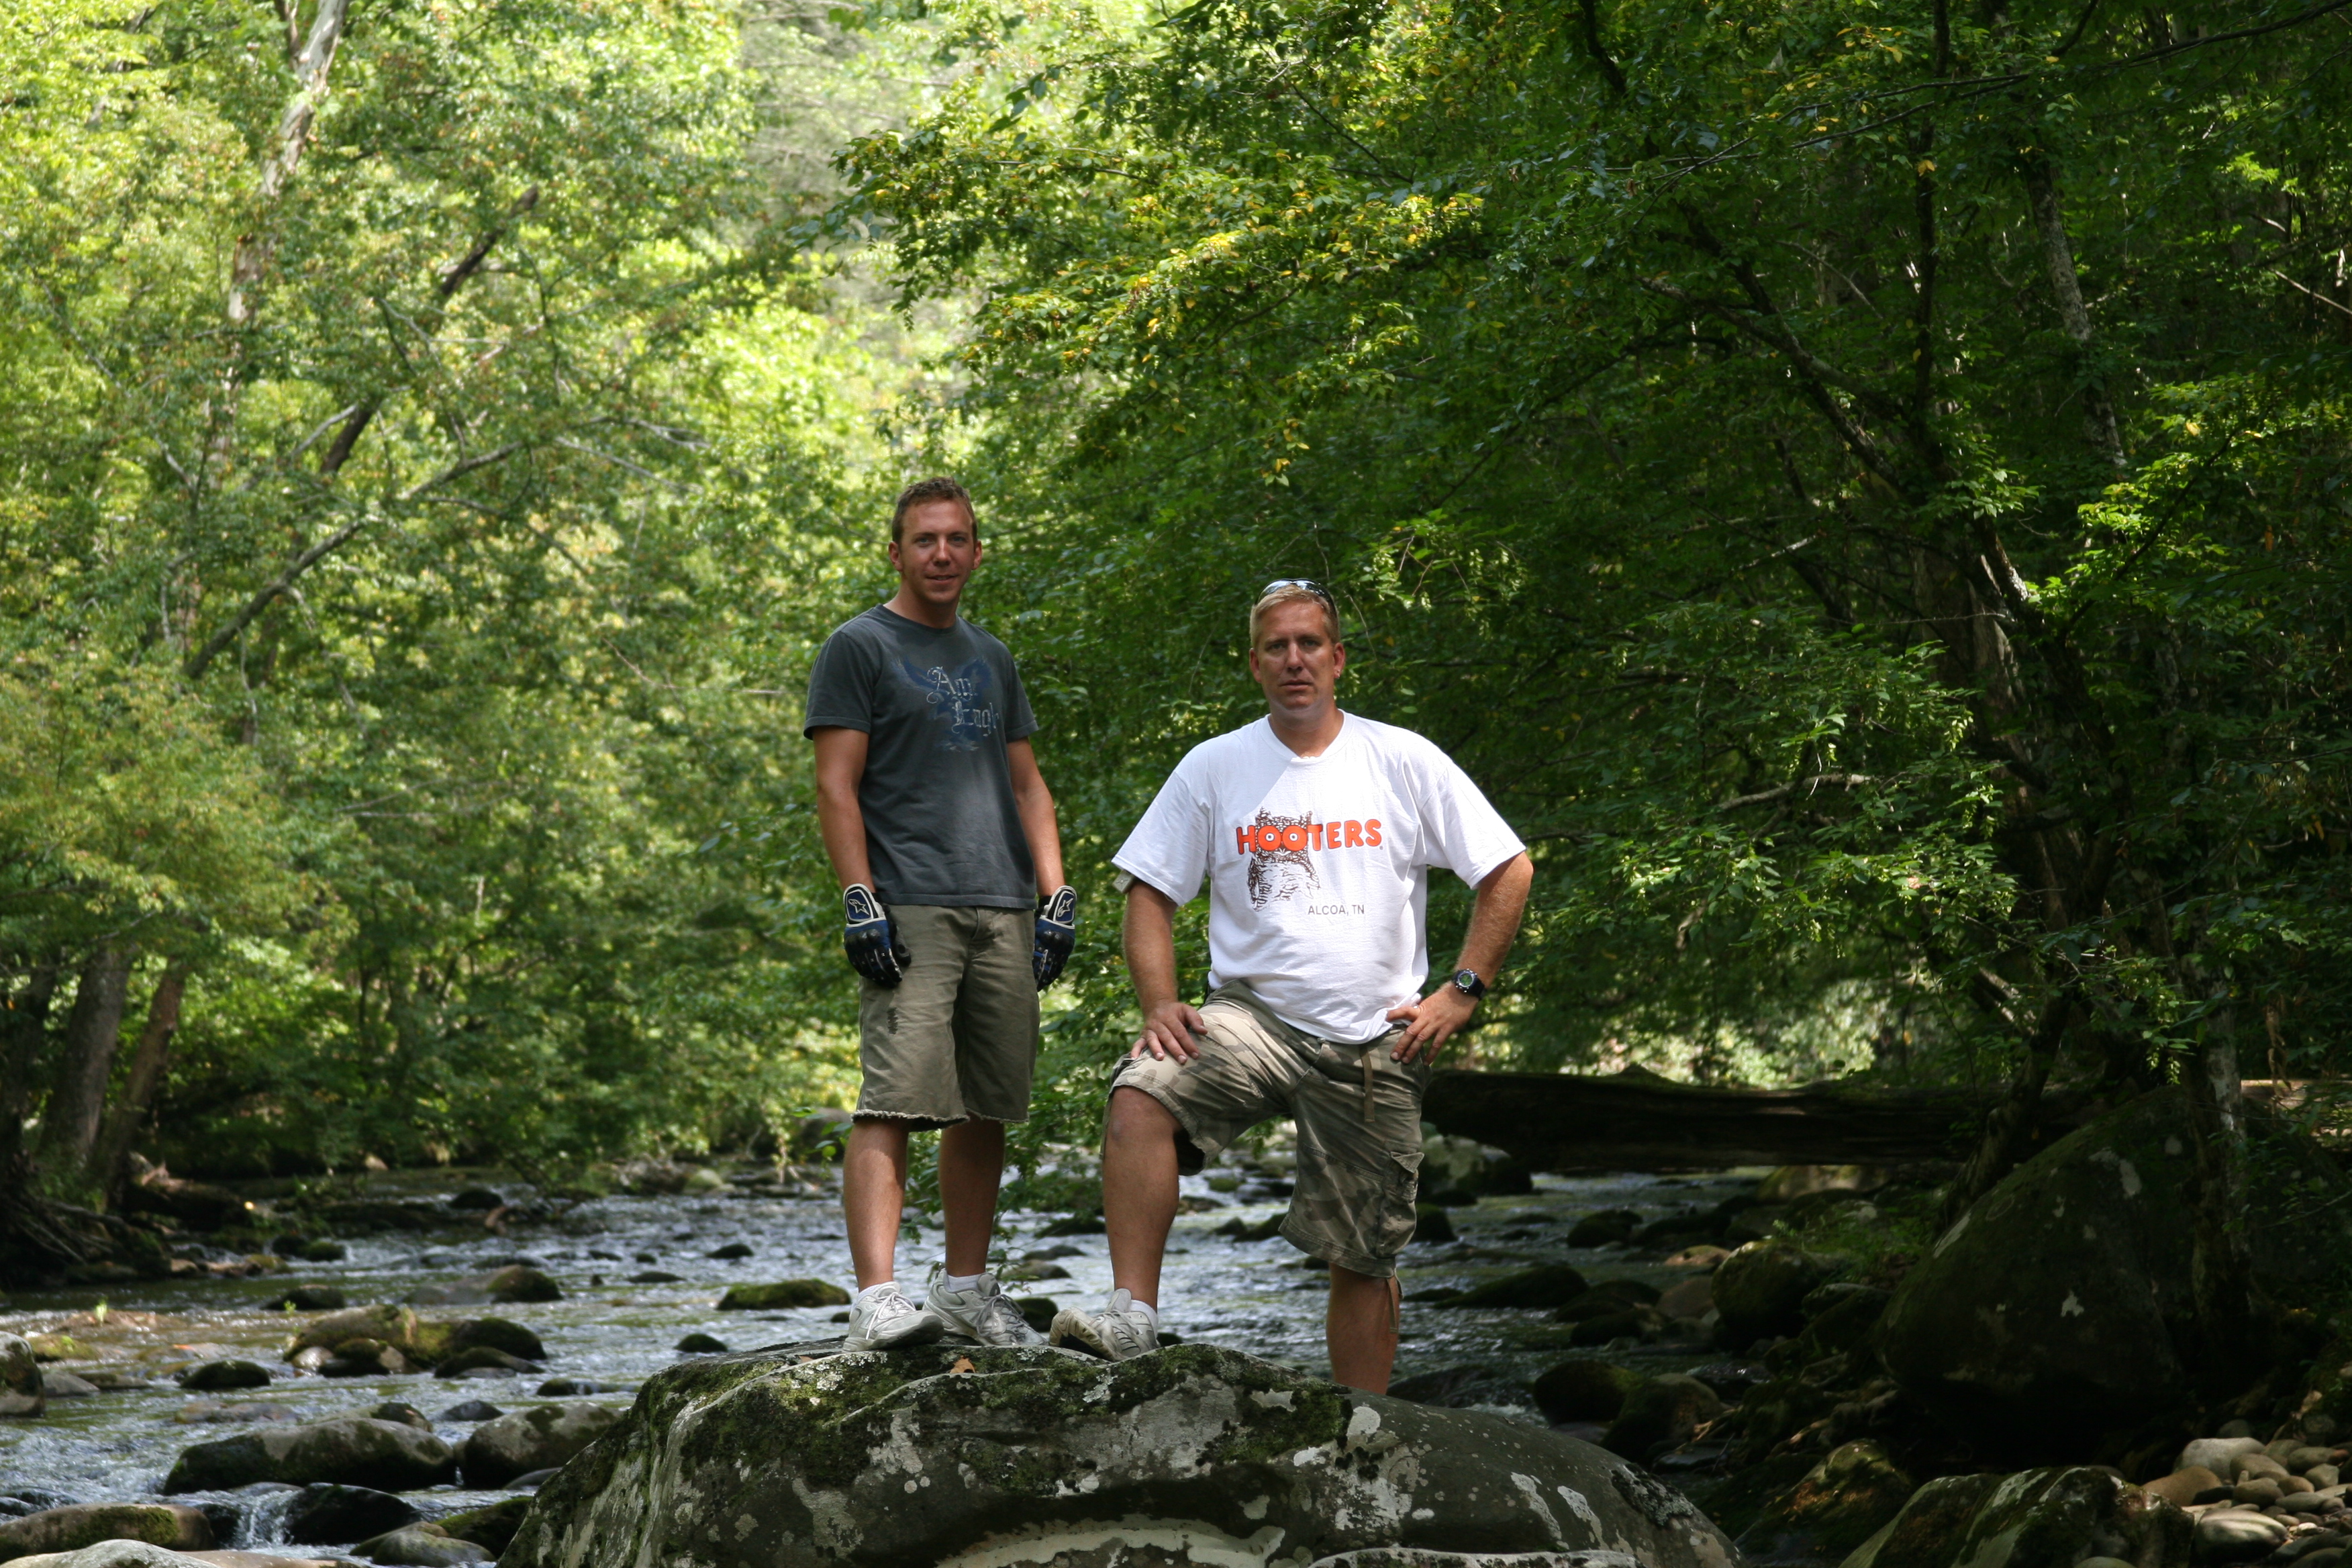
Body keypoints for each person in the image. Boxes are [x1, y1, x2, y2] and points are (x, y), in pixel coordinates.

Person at [1050, 580, 1532, 1391]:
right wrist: (1159, 1003)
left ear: (1337, 659)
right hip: (1252, 1019)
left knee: (1365, 1251)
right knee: (1141, 1092)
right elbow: (1148, 892)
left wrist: (1462, 988)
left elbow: (1508, 868)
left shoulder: (1402, 758)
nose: (1295, 659)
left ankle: (1362, 1422)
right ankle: (1131, 1316)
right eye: (1277, 646)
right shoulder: (1215, 766)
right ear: (1255, 664)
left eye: (1310, 643)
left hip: (1377, 1035)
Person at [804, 477, 1079, 1351]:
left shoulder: (992, 656)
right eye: (925, 539)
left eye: (957, 538)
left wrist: (1055, 894)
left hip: (1003, 903)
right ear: (896, 552)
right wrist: (860, 898)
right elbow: (837, 785)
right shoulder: (859, 646)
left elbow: (1028, 786)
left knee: (987, 1107)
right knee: (891, 1101)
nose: (942, 553)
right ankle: (876, 1297)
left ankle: (964, 1288)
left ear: (977, 552)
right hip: (910, 902)